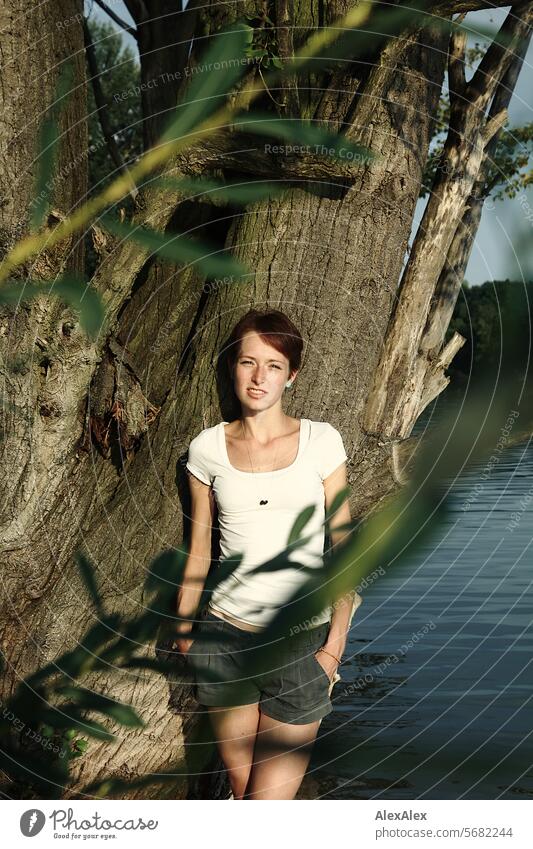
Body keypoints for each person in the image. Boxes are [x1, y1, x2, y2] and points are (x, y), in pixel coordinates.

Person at [173, 308, 362, 800]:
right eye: (248, 362)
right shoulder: (207, 450)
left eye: (274, 365)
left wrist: (334, 647)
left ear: (291, 375)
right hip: (223, 638)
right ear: (232, 367)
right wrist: (186, 634)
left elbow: (343, 547)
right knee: (242, 791)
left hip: (302, 643)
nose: (259, 378)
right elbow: (199, 552)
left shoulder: (322, 442)